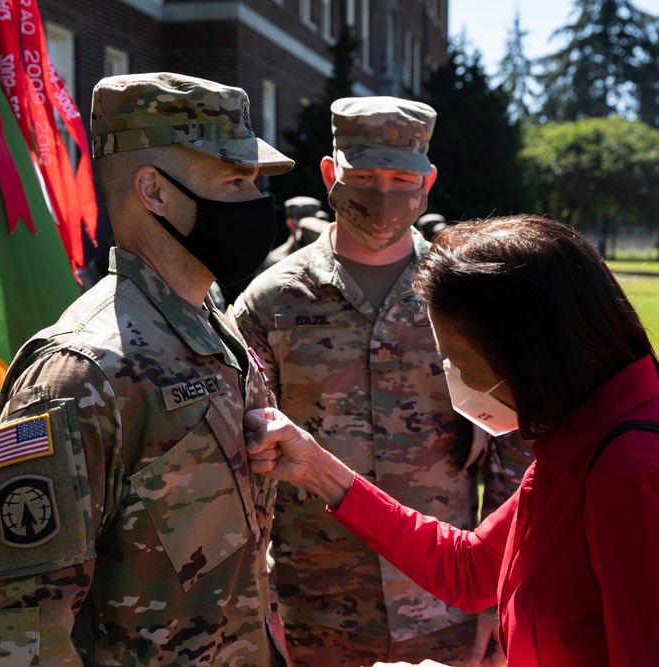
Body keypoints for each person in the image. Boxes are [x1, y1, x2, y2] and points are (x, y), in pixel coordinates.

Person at [244, 214, 659, 667]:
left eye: (460, 363)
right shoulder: (580, 440)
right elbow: (469, 570)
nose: (454, 381)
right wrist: (316, 468)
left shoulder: (637, 476)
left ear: (528, 352)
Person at [0, 72, 295, 666]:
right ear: (153, 191)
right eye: (236, 181)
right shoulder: (83, 372)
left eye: (256, 181)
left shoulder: (212, 324)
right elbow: (7, 629)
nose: (257, 204)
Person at [232, 97, 532, 666]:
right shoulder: (271, 302)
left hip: (446, 603)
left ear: (428, 182)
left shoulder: (469, 297)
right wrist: (256, 591)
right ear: (330, 174)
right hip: (314, 610)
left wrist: (502, 595)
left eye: (401, 178)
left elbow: (513, 456)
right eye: (365, 176)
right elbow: (239, 460)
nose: (384, 194)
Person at [255, 196, 325, 274]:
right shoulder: (274, 262)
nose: (313, 227)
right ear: (290, 223)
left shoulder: (328, 254)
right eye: (306, 225)